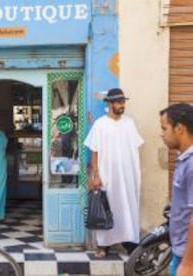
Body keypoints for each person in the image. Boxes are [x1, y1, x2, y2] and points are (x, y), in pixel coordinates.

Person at [84, 88, 144, 257]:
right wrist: (96, 175)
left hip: (128, 176)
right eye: (118, 102)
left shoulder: (129, 123)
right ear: (110, 104)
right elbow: (94, 150)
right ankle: (103, 245)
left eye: (123, 102)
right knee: (107, 208)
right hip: (107, 176)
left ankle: (131, 243)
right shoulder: (100, 124)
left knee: (128, 208)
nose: (122, 105)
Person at [159, 103, 193, 276]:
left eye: (165, 129)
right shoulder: (184, 158)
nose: (161, 134)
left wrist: (188, 264)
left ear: (179, 128)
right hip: (180, 252)